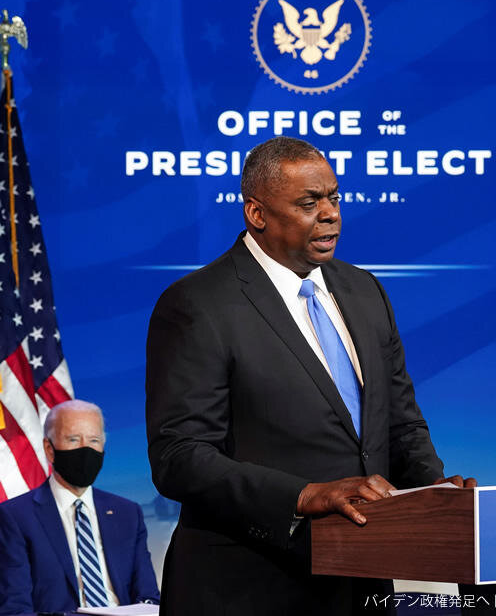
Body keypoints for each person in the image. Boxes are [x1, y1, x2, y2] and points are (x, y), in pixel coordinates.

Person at [146, 136, 473, 615]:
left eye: (334, 198)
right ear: (257, 214)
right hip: (249, 586)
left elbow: (400, 424)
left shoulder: (364, 291)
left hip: (362, 582)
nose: (330, 214)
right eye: (309, 203)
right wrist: (304, 495)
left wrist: (440, 497)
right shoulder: (200, 304)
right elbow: (179, 457)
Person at [0, 400, 160, 615]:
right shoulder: (15, 517)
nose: (85, 449)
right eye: (73, 439)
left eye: (94, 440)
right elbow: (11, 610)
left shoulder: (127, 513)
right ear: (49, 449)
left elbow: (149, 598)